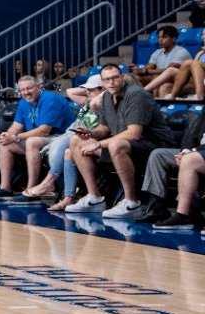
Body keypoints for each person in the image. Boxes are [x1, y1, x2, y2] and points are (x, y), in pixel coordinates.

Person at [62, 63, 175, 218]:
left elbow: (134, 133)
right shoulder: (107, 97)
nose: (111, 82)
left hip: (154, 146)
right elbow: (104, 128)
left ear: (122, 77)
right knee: (76, 141)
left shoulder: (136, 94)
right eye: (107, 80)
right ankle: (94, 197)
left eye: (115, 78)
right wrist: (90, 133)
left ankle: (131, 202)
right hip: (126, 145)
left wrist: (97, 144)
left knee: (116, 144)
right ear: (102, 82)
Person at [0, 75, 77, 199]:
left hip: (61, 137)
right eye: (22, 90)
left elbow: (44, 131)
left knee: (32, 142)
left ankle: (31, 190)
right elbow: (17, 126)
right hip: (42, 139)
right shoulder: (23, 102)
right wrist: (7, 135)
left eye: (29, 88)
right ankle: (5, 188)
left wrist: (15, 137)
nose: (26, 92)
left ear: (39, 87)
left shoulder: (50, 99)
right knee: (5, 144)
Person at [137, 25, 194, 98]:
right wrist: (139, 70)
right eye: (159, 37)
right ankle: (138, 99)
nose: (160, 40)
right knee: (137, 78)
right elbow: (149, 67)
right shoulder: (157, 52)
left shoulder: (181, 52)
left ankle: (162, 108)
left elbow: (169, 71)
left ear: (173, 38)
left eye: (164, 37)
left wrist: (146, 71)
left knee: (163, 86)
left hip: (182, 83)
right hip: (162, 80)